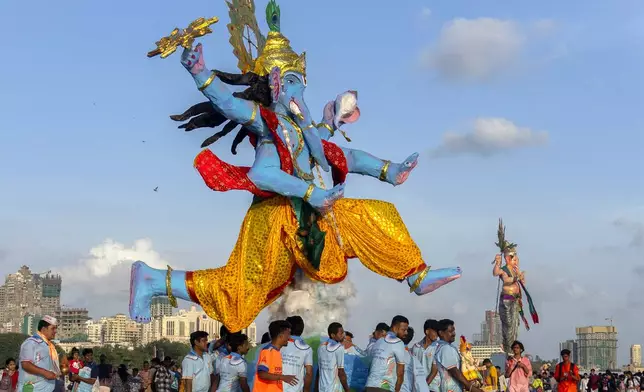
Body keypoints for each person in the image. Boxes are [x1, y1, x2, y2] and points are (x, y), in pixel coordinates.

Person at [434, 319, 484, 392]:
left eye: (454, 331)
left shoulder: (438, 346)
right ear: (441, 333)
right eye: (450, 331)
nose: (454, 334)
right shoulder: (445, 348)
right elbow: (454, 371)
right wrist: (471, 388)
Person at [365, 315, 410, 392]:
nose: (406, 333)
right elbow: (400, 373)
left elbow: (370, 364)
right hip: (384, 388)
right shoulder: (398, 343)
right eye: (403, 330)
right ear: (395, 327)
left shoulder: (379, 341)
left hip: (369, 386)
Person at [17, 315, 61, 392]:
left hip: (47, 388)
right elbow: (25, 364)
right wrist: (45, 373)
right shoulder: (31, 343)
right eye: (53, 328)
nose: (55, 331)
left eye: (56, 328)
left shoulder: (49, 346)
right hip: (32, 389)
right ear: (43, 329)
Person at [254, 320, 297, 392]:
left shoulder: (276, 352)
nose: (289, 338)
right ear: (281, 336)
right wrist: (282, 377)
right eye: (288, 334)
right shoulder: (268, 351)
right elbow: (262, 374)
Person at [281, 316, 313, 392]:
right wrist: (306, 390)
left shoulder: (278, 344)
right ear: (302, 329)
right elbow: (309, 373)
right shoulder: (307, 348)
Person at [317, 322, 349, 392]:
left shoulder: (321, 347)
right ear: (332, 335)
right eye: (341, 333)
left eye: (343, 333)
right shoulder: (339, 348)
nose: (343, 335)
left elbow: (319, 369)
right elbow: (341, 372)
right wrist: (347, 390)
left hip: (322, 389)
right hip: (334, 389)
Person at [410, 319, 440, 392]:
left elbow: (434, 370)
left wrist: (424, 386)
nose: (437, 334)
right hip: (417, 387)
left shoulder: (438, 347)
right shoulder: (416, 347)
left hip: (433, 387)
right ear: (427, 331)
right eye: (435, 331)